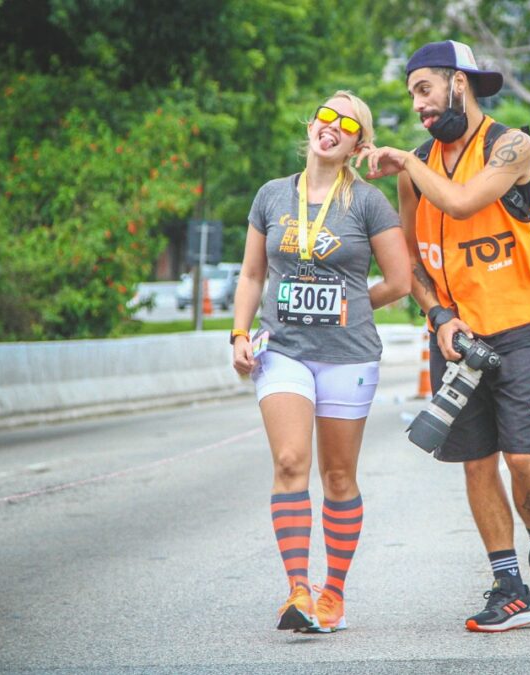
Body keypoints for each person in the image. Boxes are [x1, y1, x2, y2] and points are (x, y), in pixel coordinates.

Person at [362, 40, 530, 632]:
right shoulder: (417, 168)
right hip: (456, 333)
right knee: (477, 462)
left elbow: (458, 203)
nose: (418, 106)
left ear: (459, 83)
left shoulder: (511, 146)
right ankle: (509, 584)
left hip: (521, 325)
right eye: (411, 96)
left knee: (521, 455)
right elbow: (413, 263)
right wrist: (438, 317)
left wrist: (407, 163)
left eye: (424, 90)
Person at [231, 91, 410, 633]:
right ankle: (298, 590)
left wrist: (350, 307)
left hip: (347, 354)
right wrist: (239, 332)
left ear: (360, 143)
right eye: (325, 116)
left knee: (337, 475)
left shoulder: (369, 204)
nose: (332, 126)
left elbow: (400, 282)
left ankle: (333, 593)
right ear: (312, 126)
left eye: (347, 123)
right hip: (283, 350)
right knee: (289, 461)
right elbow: (253, 275)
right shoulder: (271, 196)